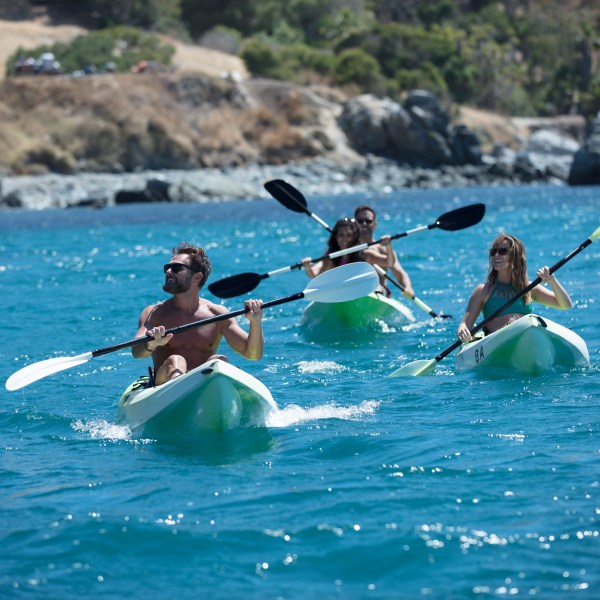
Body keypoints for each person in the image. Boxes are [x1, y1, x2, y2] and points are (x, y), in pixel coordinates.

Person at [132, 242, 264, 385]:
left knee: (218, 361)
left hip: (203, 385)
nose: (168, 272)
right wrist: (150, 344)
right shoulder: (154, 313)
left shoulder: (217, 315)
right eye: (167, 267)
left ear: (197, 277)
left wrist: (255, 322)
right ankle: (181, 391)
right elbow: (136, 352)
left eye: (176, 268)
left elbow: (252, 354)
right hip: (163, 386)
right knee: (176, 360)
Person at [457, 232, 572, 342]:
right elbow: (464, 325)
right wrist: (463, 332)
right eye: (493, 252)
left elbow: (565, 305)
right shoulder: (483, 291)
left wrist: (552, 280)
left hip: (525, 341)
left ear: (514, 257)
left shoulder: (529, 288)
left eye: (502, 251)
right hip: (495, 345)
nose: (496, 255)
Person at [301, 218, 392, 285]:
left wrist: (388, 247)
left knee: (378, 287)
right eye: (341, 235)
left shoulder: (365, 255)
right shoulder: (331, 257)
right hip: (341, 294)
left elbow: (389, 262)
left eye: (349, 235)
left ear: (354, 237)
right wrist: (308, 267)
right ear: (336, 237)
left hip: (363, 293)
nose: (345, 239)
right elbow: (314, 274)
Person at [354, 204, 414, 297]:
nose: (364, 224)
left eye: (368, 221)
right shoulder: (345, 248)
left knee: (376, 287)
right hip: (353, 293)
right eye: (360, 221)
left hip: (379, 293)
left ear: (375, 224)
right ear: (355, 224)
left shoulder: (383, 250)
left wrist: (408, 287)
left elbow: (400, 274)